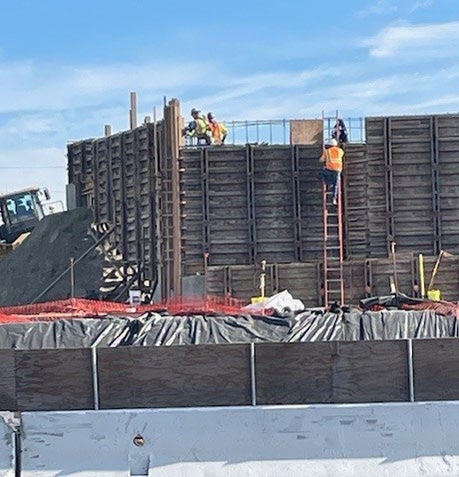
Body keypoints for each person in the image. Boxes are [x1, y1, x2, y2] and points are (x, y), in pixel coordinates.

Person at [320, 138, 344, 205]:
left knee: (323, 174)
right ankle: (334, 199)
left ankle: (328, 183)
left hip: (330, 169)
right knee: (335, 185)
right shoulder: (340, 151)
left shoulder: (327, 151)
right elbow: (341, 154)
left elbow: (321, 160)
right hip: (338, 169)